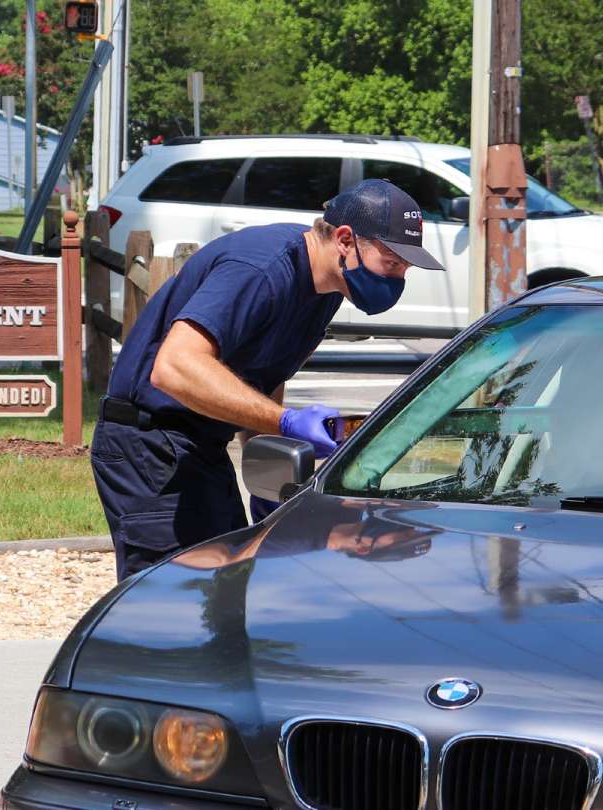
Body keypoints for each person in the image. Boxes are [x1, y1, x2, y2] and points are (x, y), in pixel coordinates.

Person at [92, 179, 445, 580]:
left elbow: (262, 377)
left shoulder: (326, 288)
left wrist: (272, 468)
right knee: (176, 599)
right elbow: (174, 368)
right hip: (147, 446)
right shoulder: (260, 269)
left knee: (230, 587)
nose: (399, 279)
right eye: (393, 263)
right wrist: (285, 422)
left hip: (201, 446)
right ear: (345, 240)